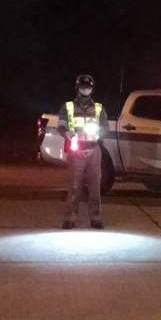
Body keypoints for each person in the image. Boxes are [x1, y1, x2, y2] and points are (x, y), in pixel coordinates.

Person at [58, 74, 108, 229]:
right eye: (83, 87)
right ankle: (70, 218)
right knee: (74, 186)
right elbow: (61, 125)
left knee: (95, 186)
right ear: (77, 88)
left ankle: (96, 217)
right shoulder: (68, 107)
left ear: (92, 89)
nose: (86, 90)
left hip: (94, 150)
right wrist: (67, 133)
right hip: (76, 150)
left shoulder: (99, 108)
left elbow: (105, 127)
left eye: (88, 87)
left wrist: (98, 135)